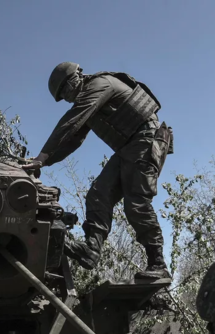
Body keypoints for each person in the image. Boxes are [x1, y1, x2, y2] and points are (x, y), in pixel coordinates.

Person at [24, 62, 173, 280]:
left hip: (146, 139)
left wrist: (42, 156)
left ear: (76, 77)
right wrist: (43, 162)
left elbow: (72, 120)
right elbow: (74, 138)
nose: (67, 98)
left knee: (137, 202)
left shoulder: (99, 85)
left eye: (65, 91)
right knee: (98, 194)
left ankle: (158, 264)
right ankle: (91, 250)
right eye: (63, 96)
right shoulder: (89, 100)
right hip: (129, 148)